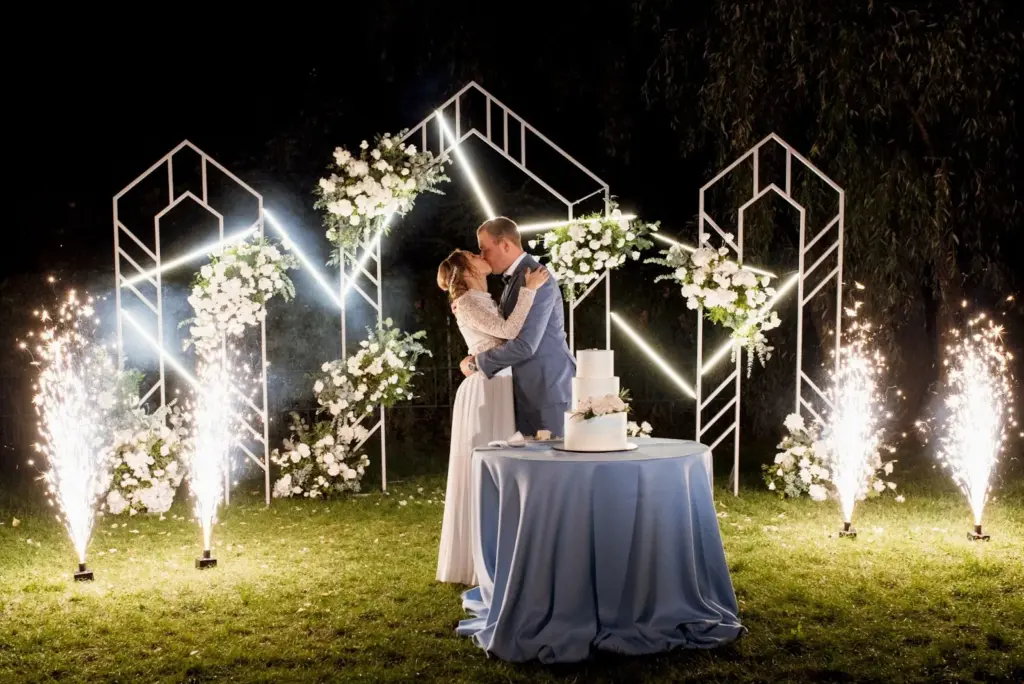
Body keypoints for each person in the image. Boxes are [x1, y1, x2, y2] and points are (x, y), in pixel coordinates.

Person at [435, 248, 550, 585]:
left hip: (496, 384)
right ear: (465, 268)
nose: (479, 253)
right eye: (473, 253)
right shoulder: (469, 300)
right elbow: (510, 331)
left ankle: (499, 554)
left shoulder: (478, 297)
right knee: (487, 474)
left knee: (500, 472)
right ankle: (479, 560)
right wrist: (529, 290)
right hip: (487, 389)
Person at [461, 217, 575, 437]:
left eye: (484, 249)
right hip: (528, 389)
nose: (483, 256)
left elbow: (525, 345)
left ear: (505, 245)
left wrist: (477, 363)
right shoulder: (516, 279)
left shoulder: (535, 277)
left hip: (546, 389)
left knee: (550, 465)